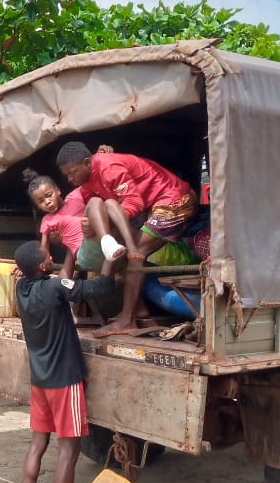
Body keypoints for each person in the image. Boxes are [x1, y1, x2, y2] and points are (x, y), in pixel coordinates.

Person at [12, 240, 116, 483]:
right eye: (48, 257)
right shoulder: (56, 287)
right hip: (65, 382)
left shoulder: (22, 288)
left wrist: (72, 250)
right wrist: (111, 255)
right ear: (42, 266)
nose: (52, 259)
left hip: (40, 381)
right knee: (69, 451)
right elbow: (101, 287)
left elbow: (59, 279)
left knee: (37, 445)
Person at [55, 142, 197, 338]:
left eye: (72, 173)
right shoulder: (86, 184)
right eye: (66, 176)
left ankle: (127, 320)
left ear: (87, 162)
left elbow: (133, 202)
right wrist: (95, 224)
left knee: (136, 253)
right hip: (152, 207)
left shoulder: (109, 168)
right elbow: (98, 210)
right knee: (124, 248)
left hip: (176, 200)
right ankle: (137, 309)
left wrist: (108, 224)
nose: (70, 179)